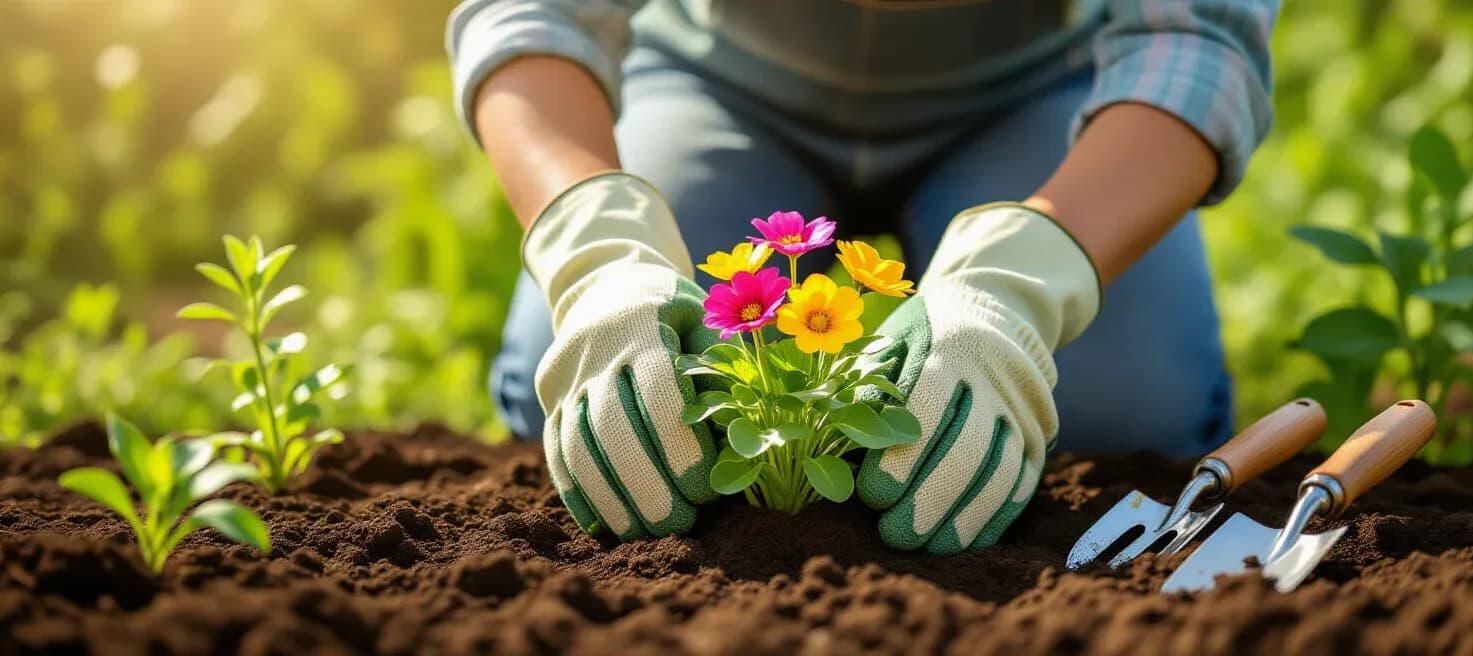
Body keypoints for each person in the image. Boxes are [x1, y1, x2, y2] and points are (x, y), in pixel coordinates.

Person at [447, 0, 1277, 552]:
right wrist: (597, 254)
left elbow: (1195, 40)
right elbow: (531, 14)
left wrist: (1025, 279)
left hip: (1040, 88)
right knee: (623, 399)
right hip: (722, 75)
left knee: (1124, 414)